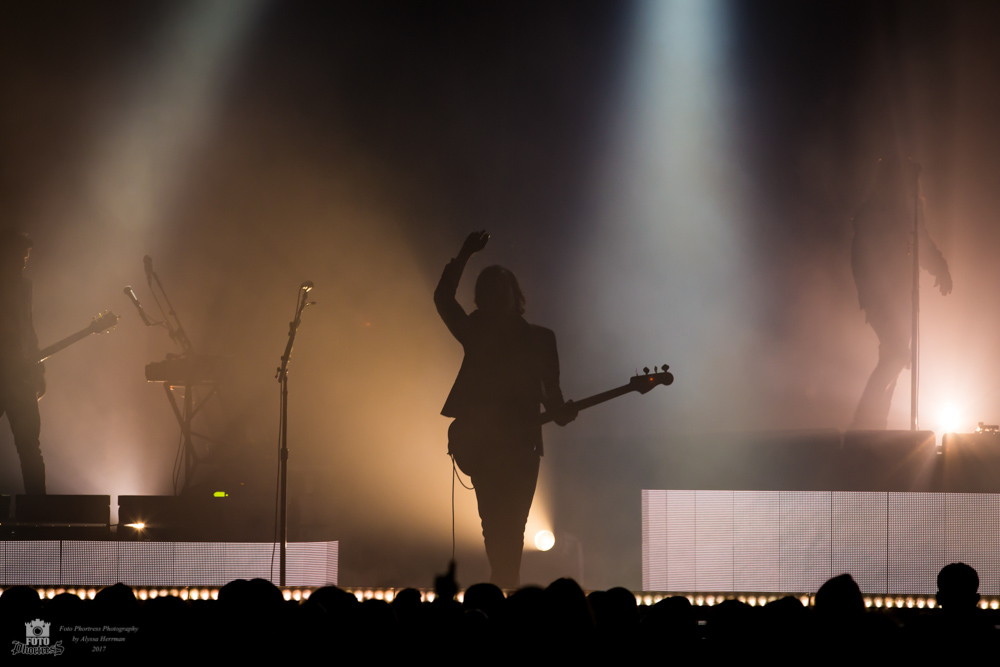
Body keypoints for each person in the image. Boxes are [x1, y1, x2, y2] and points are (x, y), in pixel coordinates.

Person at [435, 231, 575, 588]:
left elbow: (552, 395)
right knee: (497, 526)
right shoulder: (476, 330)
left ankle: (502, 587)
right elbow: (443, 299)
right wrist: (464, 253)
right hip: (483, 445)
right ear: (482, 299)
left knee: (509, 528)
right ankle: (505, 588)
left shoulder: (541, 340)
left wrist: (561, 411)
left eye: (503, 291)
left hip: (520, 448)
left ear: (516, 296)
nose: (498, 298)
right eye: (490, 292)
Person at [850, 157, 952, 429]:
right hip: (885, 296)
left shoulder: (901, 209)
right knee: (895, 356)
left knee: (892, 360)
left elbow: (920, 244)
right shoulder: (883, 211)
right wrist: (939, 267)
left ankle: (873, 426)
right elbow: (916, 244)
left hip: (897, 297)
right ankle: (863, 424)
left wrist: (938, 266)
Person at [0, 231, 45, 494]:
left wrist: (38, 370)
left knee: (30, 447)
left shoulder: (25, 286)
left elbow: (29, 329)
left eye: (26, 256)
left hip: (21, 377)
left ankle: (40, 512)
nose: (24, 262)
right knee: (30, 449)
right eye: (20, 255)